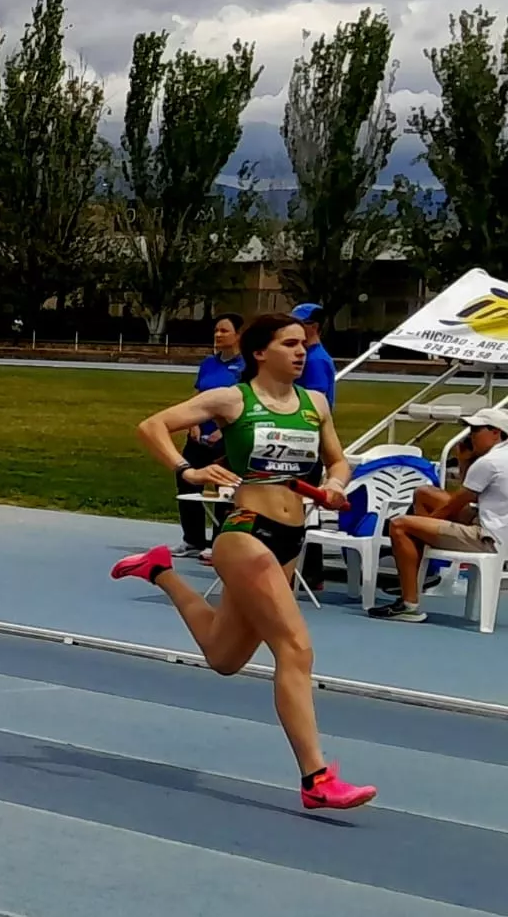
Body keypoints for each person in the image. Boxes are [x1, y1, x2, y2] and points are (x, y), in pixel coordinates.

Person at [123, 311, 375, 810]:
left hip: (290, 535)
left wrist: (334, 486)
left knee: (224, 657)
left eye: (303, 345)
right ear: (260, 352)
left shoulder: (315, 404)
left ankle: (160, 571)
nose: (301, 353)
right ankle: (316, 778)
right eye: (289, 344)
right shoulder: (233, 399)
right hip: (245, 534)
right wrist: (187, 470)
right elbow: (153, 426)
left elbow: (339, 460)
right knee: (296, 648)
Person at [368, 408, 508, 622]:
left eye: (476, 429)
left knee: (399, 525)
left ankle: (408, 603)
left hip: (486, 536)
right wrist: (464, 461)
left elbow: (454, 504)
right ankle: (418, 560)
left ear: (496, 432)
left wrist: (423, 523)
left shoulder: (489, 462)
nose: (471, 435)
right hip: (495, 525)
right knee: (424, 494)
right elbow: (471, 494)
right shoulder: (498, 457)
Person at [174, 313, 246, 557]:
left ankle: (219, 543)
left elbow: (244, 401)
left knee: (223, 490)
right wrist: (191, 423)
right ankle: (192, 539)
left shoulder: (245, 367)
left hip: (225, 438)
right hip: (197, 436)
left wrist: (222, 431)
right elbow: (197, 396)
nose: (218, 335)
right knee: (186, 480)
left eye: (224, 331)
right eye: (216, 330)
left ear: (238, 335)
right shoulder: (208, 363)